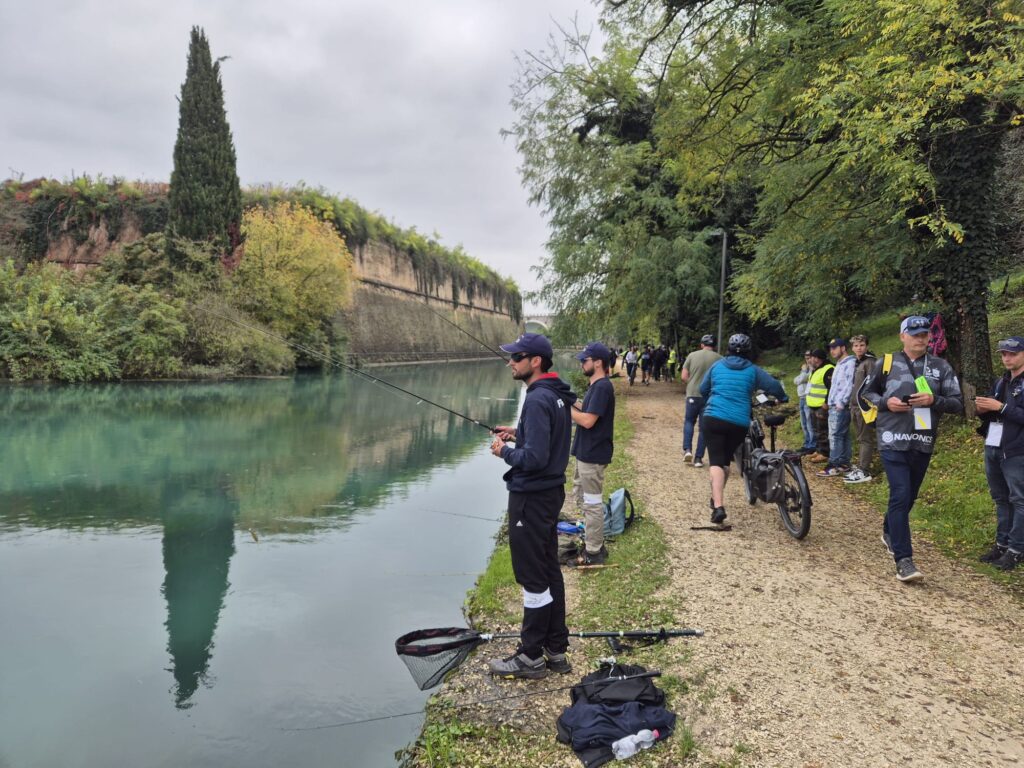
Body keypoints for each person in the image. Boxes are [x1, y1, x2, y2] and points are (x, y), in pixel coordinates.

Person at [489, 332, 577, 678]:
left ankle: (530, 656)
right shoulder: (555, 395)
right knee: (548, 569)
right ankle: (555, 649)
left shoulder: (538, 399)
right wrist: (518, 432)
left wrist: (504, 452)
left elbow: (537, 457)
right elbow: (547, 441)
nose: (510, 362)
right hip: (549, 494)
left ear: (535, 361)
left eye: (516, 356)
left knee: (532, 577)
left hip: (532, 497)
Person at [863, 315, 963, 582]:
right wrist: (886, 403)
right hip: (891, 438)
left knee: (909, 497)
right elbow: (866, 394)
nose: (921, 338)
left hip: (922, 440)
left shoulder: (941, 366)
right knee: (900, 492)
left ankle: (888, 530)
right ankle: (904, 560)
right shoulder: (884, 363)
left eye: (925, 334)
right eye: (915, 333)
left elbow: (957, 403)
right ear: (902, 336)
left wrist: (934, 399)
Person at [699, 333, 788, 524]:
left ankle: (718, 507)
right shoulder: (753, 370)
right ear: (749, 351)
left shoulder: (717, 366)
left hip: (713, 418)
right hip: (738, 422)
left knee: (715, 461)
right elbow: (773, 386)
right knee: (725, 462)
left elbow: (702, 389)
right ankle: (716, 499)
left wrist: (712, 400)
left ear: (728, 349)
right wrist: (783, 397)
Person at [975, 336, 1024, 571]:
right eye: (1003, 354)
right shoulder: (1001, 381)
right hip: (994, 446)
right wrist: (982, 409)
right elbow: (995, 413)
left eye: (1012, 353)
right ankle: (1002, 544)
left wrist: (1001, 408)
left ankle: (1016, 549)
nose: (1007, 357)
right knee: (1000, 499)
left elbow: (1012, 413)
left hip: (1017, 451)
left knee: (1019, 500)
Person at [568, 341, 616, 566]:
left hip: (593, 454)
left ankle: (594, 552)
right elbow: (586, 410)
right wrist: (569, 400)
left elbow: (587, 421)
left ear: (598, 363)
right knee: (584, 500)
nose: (581, 364)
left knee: (592, 503)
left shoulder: (602, 387)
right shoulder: (595, 387)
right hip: (586, 453)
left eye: (584, 360)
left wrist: (564, 409)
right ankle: (592, 541)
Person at [681, 334, 721, 468]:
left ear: (702, 345)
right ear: (714, 346)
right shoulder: (719, 359)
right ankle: (698, 458)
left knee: (689, 421)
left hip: (693, 394)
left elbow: (684, 376)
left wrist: (691, 383)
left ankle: (687, 450)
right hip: (709, 396)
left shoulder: (692, 355)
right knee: (704, 428)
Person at [817, 338, 856, 477]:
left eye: (835, 348)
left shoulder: (850, 363)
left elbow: (850, 384)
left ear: (843, 348)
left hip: (840, 406)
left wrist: (841, 403)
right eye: (830, 348)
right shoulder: (839, 364)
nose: (832, 351)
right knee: (842, 435)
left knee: (835, 435)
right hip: (835, 404)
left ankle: (834, 464)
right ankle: (843, 463)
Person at [846, 334, 877, 484]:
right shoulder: (857, 362)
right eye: (856, 346)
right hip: (854, 406)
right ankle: (860, 466)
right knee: (860, 438)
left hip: (864, 407)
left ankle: (864, 470)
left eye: (862, 345)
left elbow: (873, 384)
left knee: (865, 438)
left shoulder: (870, 362)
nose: (859, 348)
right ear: (852, 348)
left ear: (867, 346)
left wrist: (869, 405)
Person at [805, 349, 833, 462]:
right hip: (813, 405)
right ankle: (819, 450)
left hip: (822, 406)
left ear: (817, 358)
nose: (810, 359)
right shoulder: (816, 369)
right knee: (816, 430)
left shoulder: (828, 369)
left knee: (823, 430)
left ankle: (825, 453)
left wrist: (826, 403)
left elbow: (831, 388)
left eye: (812, 357)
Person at [794, 350, 817, 454]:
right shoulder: (806, 369)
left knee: (809, 423)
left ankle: (812, 445)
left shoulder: (813, 369)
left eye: (809, 358)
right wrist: (801, 376)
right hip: (801, 398)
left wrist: (803, 372)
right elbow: (795, 380)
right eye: (806, 358)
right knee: (803, 423)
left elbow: (802, 379)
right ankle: (807, 443)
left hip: (808, 398)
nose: (808, 361)